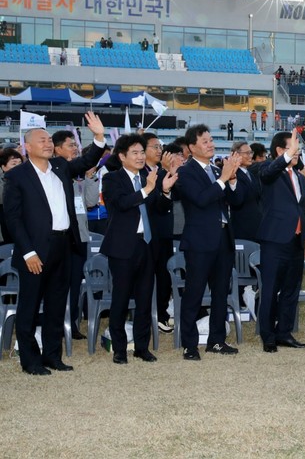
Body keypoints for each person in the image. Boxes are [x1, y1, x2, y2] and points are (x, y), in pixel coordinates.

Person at [3, 112, 106, 375]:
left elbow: (87, 160)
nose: (48, 143)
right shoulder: (17, 176)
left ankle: (52, 356)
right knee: (29, 307)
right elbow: (13, 219)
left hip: (63, 246)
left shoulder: (60, 167)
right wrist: (28, 252)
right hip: (34, 251)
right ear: (27, 147)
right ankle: (30, 361)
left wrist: (98, 137)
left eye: (49, 140)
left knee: (57, 305)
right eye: (42, 140)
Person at [100, 134, 177, 365]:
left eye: (142, 152)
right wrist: (147, 189)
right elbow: (121, 204)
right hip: (123, 247)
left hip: (147, 244)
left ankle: (142, 347)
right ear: (122, 156)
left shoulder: (147, 177)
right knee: (121, 299)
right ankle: (119, 349)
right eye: (134, 152)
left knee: (145, 299)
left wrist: (164, 191)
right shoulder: (112, 179)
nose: (140, 156)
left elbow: (159, 209)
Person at [175, 125, 245, 360]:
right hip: (199, 242)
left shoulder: (217, 170)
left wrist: (232, 179)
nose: (211, 144)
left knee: (220, 293)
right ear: (192, 147)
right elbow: (201, 199)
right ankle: (189, 345)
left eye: (211, 139)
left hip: (223, 239)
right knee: (194, 293)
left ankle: (216, 340)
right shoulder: (186, 172)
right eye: (205, 141)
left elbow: (236, 200)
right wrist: (224, 178)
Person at [257, 130, 305, 353]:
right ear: (280, 150)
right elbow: (268, 172)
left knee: (291, 289)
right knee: (270, 290)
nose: (297, 152)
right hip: (274, 240)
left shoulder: (299, 177)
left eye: (297, 148)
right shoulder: (267, 170)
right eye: (292, 148)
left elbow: (303, 208)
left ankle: (284, 333)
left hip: (296, 241)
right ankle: (268, 336)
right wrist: (286, 157)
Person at [51, 130, 96, 341]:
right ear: (57, 149)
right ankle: (55, 323)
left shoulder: (79, 179)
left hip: (80, 238)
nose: (75, 149)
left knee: (76, 283)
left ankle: (73, 323)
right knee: (58, 284)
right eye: (70, 145)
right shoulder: (52, 174)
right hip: (60, 238)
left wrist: (89, 178)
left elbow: (91, 202)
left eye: (75, 145)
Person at [141, 133, 177, 334]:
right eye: (154, 147)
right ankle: (146, 315)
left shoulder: (163, 170)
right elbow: (151, 200)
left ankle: (161, 314)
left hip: (164, 231)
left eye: (160, 146)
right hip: (146, 233)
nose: (159, 150)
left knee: (164, 276)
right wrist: (163, 171)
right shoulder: (140, 172)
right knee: (145, 277)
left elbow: (168, 198)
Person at [229, 141, 262, 243]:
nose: (250, 156)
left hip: (256, 227)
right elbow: (236, 200)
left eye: (251, 152)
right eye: (247, 153)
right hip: (242, 229)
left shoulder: (250, 174)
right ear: (236, 155)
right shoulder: (232, 174)